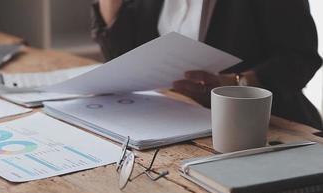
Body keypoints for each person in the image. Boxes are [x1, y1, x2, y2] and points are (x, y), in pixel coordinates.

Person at [92, 0, 323, 130]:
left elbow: (300, 58)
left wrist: (235, 84)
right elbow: (120, 57)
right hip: (173, 125)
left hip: (265, 128)